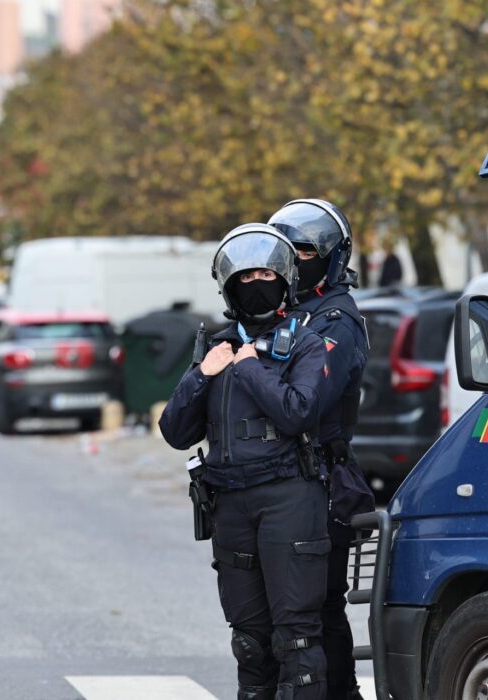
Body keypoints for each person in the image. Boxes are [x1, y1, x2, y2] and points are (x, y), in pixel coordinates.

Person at [159, 223, 330, 700]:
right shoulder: (215, 346)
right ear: (229, 285)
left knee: (296, 640)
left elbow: (299, 411)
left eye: (264, 274)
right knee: (250, 644)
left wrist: (250, 366)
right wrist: (202, 375)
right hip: (231, 504)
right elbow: (175, 431)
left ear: (284, 279)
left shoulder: (303, 343)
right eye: (245, 277)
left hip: (288, 500)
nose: (255, 284)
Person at [268, 200, 374, 700]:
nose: (296, 258)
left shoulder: (336, 320)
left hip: (320, 478)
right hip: (275, 478)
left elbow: (306, 403)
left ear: (330, 257)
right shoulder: (276, 312)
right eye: (289, 250)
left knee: (319, 608)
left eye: (306, 250)